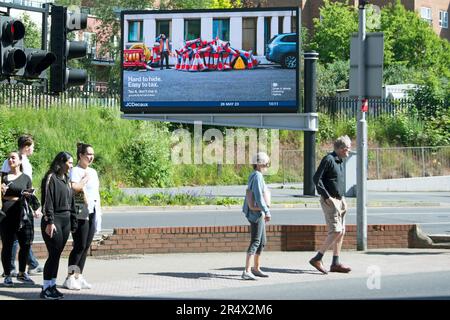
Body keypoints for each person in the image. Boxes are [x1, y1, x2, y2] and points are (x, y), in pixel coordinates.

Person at [1, 134, 43, 277]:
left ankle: (20, 268)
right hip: (12, 208)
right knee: (13, 241)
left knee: (20, 240)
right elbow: (23, 187)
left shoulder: (15, 164)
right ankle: (12, 269)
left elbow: (26, 188)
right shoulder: (17, 164)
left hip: (18, 207)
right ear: (26, 147)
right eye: (32, 147)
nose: (33, 149)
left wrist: (35, 205)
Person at [309, 135, 352, 274]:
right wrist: (327, 197)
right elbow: (316, 178)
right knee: (336, 231)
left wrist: (342, 199)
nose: (348, 152)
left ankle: (335, 263)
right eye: (347, 149)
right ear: (339, 149)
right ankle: (317, 258)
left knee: (342, 231)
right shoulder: (329, 159)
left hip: (340, 199)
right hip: (330, 201)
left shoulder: (339, 161)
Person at [64, 143, 102, 290]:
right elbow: (75, 189)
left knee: (86, 246)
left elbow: (95, 192)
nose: (91, 157)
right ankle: (70, 276)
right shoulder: (75, 170)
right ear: (81, 155)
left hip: (93, 210)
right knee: (79, 245)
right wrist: (84, 180)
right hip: (81, 212)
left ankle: (78, 276)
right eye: (88, 154)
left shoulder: (93, 171)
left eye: (92, 154)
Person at [40, 152, 76, 300]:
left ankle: (52, 286)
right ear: (61, 162)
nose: (71, 166)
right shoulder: (51, 178)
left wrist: (73, 220)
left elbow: (72, 200)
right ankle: (45, 288)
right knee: (53, 254)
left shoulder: (66, 178)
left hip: (66, 220)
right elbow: (47, 200)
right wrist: (50, 221)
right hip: (54, 221)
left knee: (57, 255)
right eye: (69, 163)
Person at [0, 151, 37, 286]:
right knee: (7, 245)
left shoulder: (26, 178)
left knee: (26, 244)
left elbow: (30, 195)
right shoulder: (2, 177)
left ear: (20, 161)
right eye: (9, 158)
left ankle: (22, 273)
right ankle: (8, 275)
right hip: (6, 214)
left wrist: (36, 207)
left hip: (23, 213)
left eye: (13, 158)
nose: (10, 160)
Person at [241, 152, 271, 280]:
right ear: (259, 164)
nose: (267, 166)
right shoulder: (257, 176)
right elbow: (258, 196)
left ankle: (256, 268)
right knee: (256, 241)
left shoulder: (254, 175)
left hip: (258, 211)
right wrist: (266, 211)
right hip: (256, 212)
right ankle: (247, 271)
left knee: (262, 241)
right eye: (266, 164)